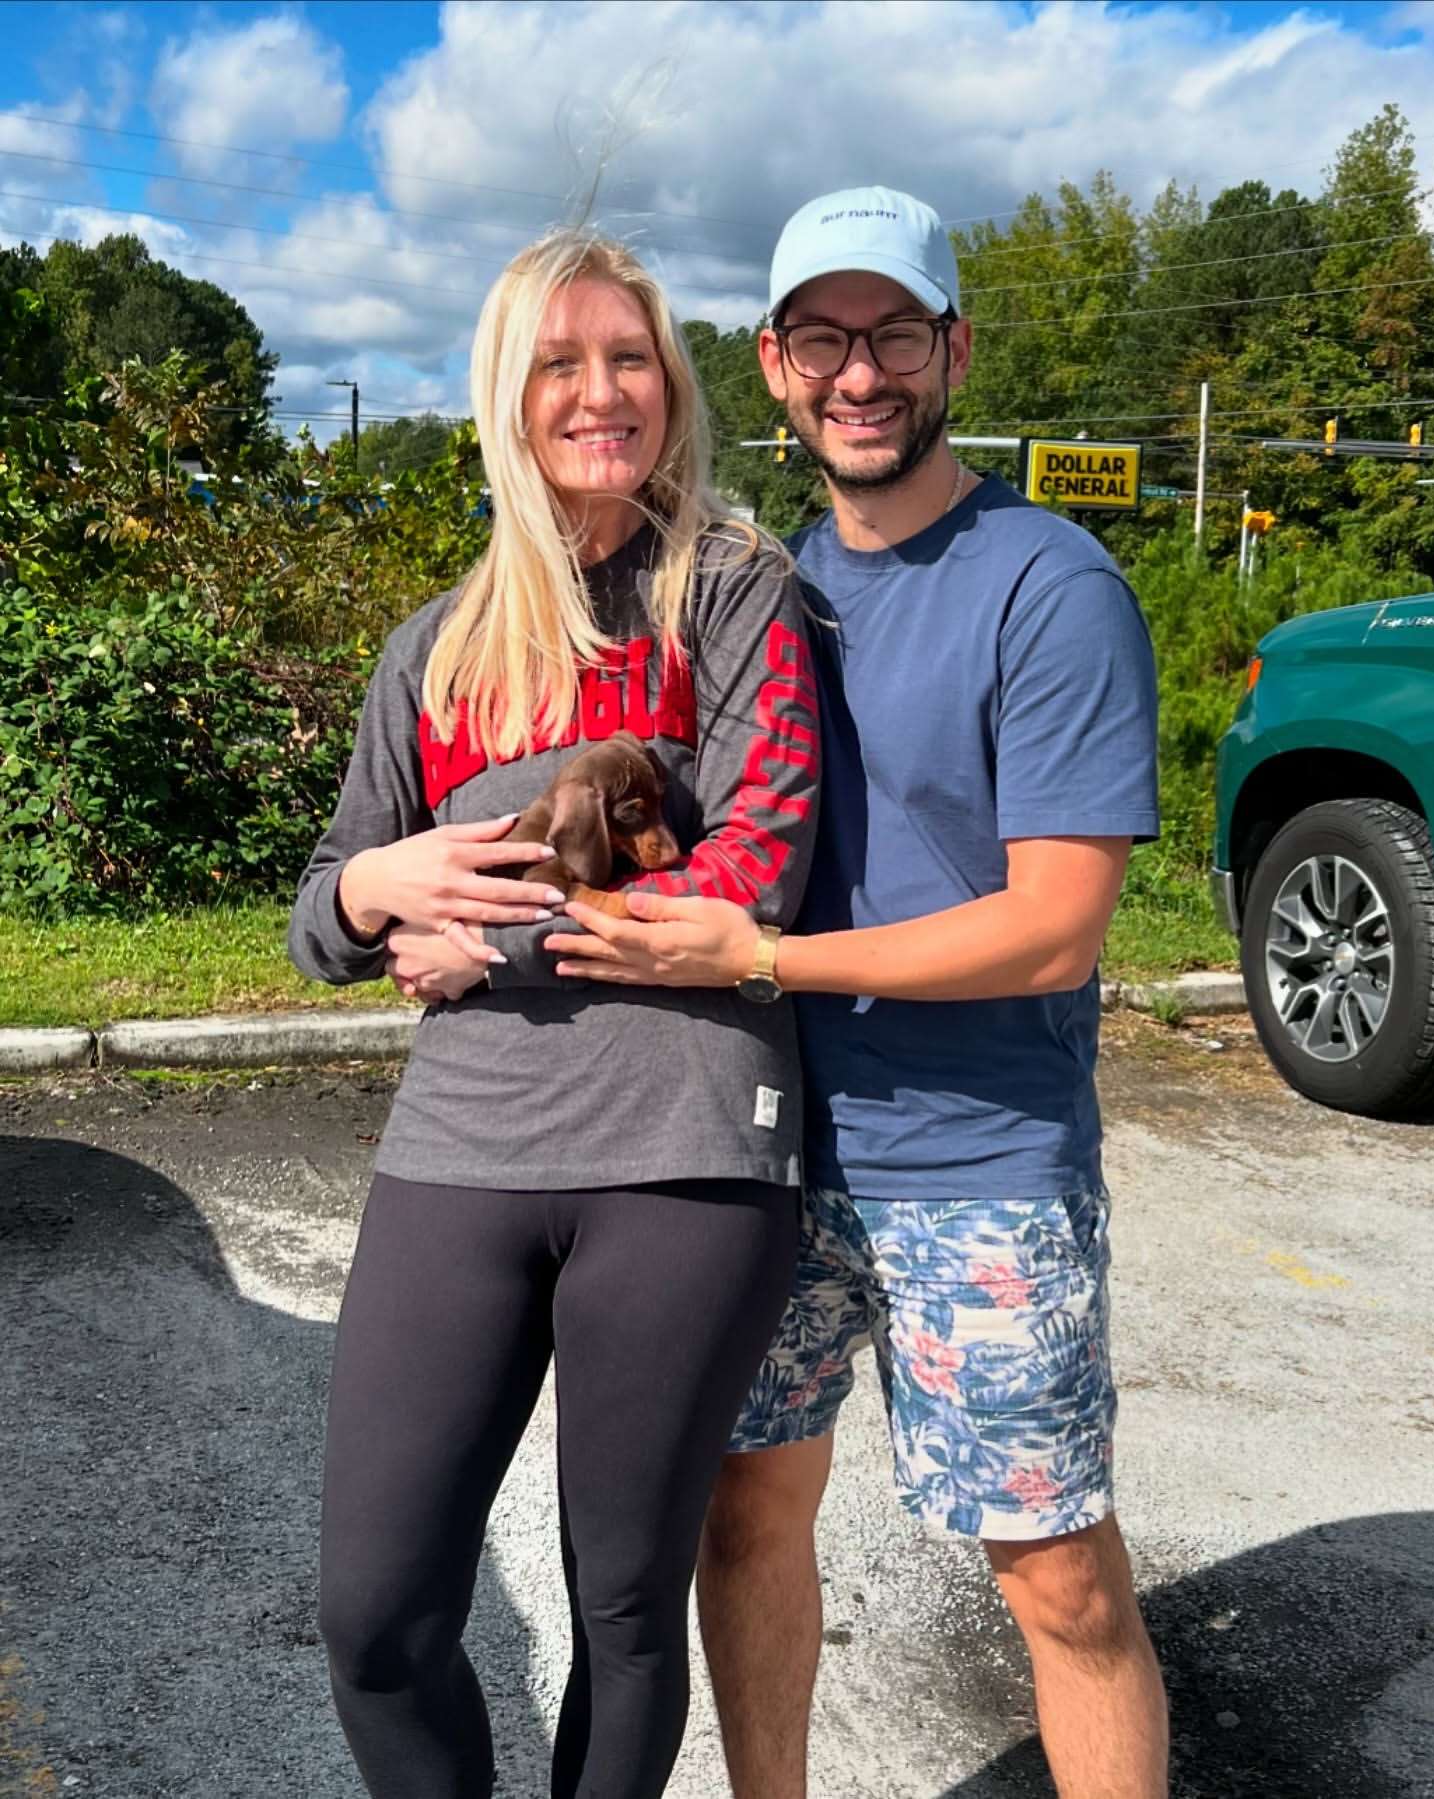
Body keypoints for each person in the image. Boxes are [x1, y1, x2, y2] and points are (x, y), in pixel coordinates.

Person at [548, 188, 1170, 1797]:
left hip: (980, 1163)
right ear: (768, 365)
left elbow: (1054, 929)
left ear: (953, 347)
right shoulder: (754, 593)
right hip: (760, 1154)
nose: (860, 371)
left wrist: (754, 957)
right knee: (746, 1516)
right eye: (821, 336)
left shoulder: (1051, 584)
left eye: (894, 331)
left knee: (1053, 1573)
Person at [288, 229, 820, 1799]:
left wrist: (492, 940)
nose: (603, 394)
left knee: (625, 1604)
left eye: (633, 357)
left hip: (687, 1149)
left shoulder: (734, 595)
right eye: (560, 364)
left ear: (675, 383)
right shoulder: (437, 651)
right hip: (460, 1147)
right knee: (375, 1613)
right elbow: (325, 915)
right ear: (506, 400)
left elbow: (753, 875)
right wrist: (382, 884)